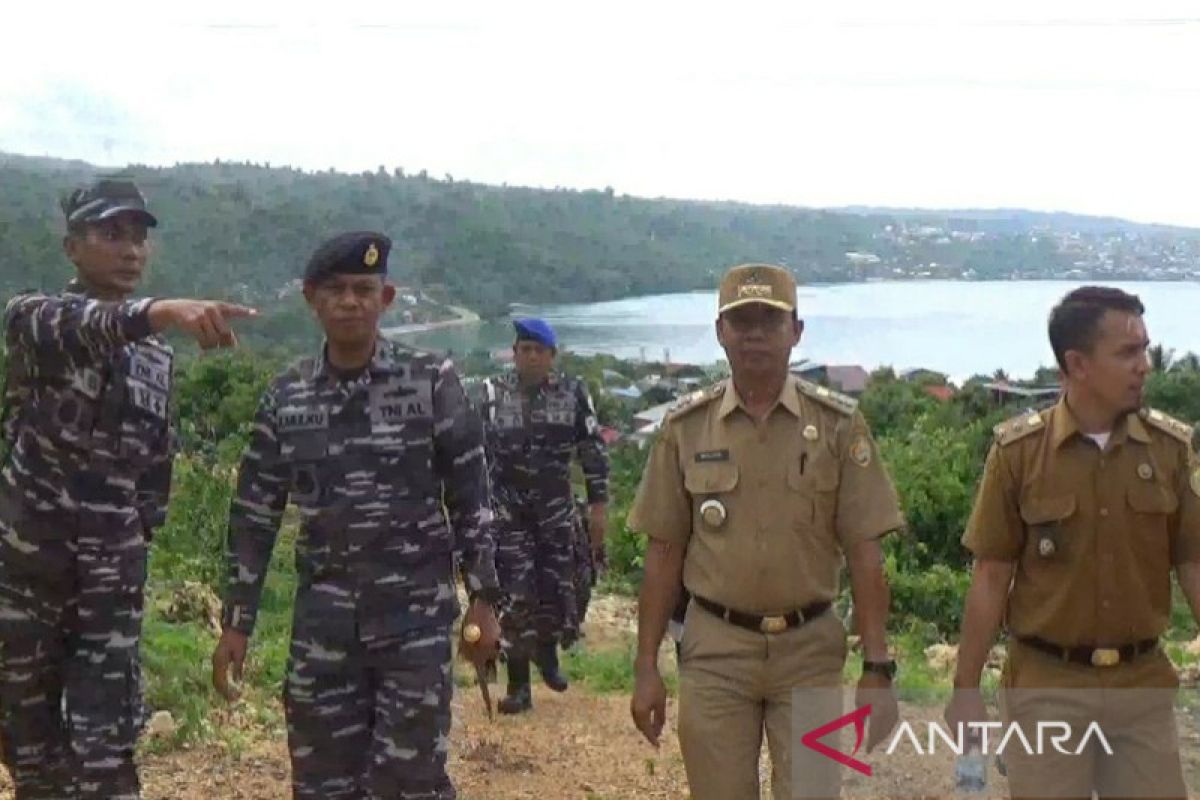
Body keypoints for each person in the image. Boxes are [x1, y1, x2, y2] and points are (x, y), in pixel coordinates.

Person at [210, 231, 500, 800]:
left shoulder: (430, 381)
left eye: (364, 289)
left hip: (414, 628)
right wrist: (236, 622)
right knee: (322, 784)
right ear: (312, 299)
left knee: (409, 781)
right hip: (324, 634)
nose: (350, 301)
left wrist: (485, 599)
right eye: (337, 290)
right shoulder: (286, 397)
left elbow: (471, 495)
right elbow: (253, 515)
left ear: (386, 298)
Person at [0, 176, 256, 799]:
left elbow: (153, 474)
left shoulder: (154, 361)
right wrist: (162, 311)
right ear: (72, 247)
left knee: (106, 756)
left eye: (140, 237)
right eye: (112, 234)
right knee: (31, 756)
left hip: (109, 592)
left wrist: (131, 545)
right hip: (26, 582)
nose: (131, 249)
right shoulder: (36, 319)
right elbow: (85, 325)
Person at [627, 263, 905, 800]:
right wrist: (646, 667)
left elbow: (866, 553)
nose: (755, 333)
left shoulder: (838, 426)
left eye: (769, 321)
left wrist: (877, 668)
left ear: (796, 332)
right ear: (720, 332)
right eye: (741, 321)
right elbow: (662, 554)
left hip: (810, 650)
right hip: (715, 650)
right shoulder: (685, 429)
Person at [945, 286, 1200, 799]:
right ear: (1078, 364)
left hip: (1141, 686)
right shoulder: (1019, 453)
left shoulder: (1172, 450)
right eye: (1128, 352)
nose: (1144, 365)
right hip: (1047, 686)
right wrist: (965, 688)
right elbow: (992, 575)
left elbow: (1193, 561)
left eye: (1146, 349)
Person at [476, 318, 609, 713]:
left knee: (563, 588)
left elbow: (593, 452)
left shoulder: (573, 394)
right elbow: (474, 453)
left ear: (552, 356)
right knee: (514, 595)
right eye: (524, 349)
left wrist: (599, 506)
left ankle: (548, 651)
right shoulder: (491, 394)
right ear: (514, 353)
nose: (531, 356)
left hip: (556, 510)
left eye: (539, 350)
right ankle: (519, 686)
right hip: (508, 511)